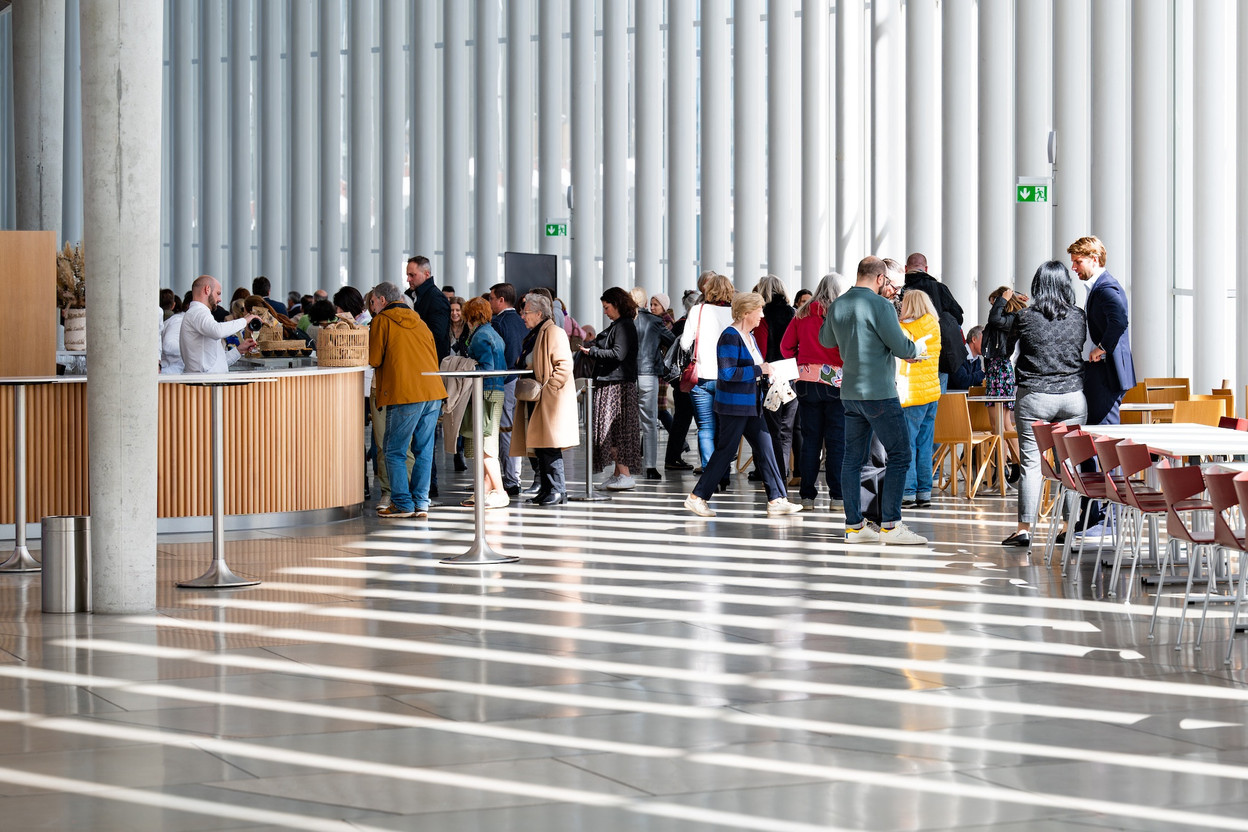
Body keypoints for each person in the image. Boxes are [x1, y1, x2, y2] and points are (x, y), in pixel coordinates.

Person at [818, 256, 927, 545]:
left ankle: (854, 526)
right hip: (879, 392)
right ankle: (891, 525)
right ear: (880, 279)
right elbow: (901, 346)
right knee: (901, 454)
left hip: (850, 393)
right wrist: (917, 349)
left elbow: (826, 340)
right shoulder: (881, 305)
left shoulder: (838, 304)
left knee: (852, 460)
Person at [684, 292, 802, 518]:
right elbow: (728, 373)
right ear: (746, 312)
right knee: (725, 451)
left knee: (766, 448)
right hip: (735, 407)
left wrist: (769, 374)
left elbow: (752, 371)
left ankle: (776, 499)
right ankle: (697, 497)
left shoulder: (750, 337)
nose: (762, 315)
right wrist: (761, 370)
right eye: (759, 311)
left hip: (750, 405)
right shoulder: (730, 336)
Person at [997, 262, 1088, 547]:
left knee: (1032, 464)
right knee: (1069, 464)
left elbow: (1005, 349)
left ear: (1038, 286)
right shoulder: (1078, 316)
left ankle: (1024, 529)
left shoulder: (1024, 317)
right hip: (1073, 396)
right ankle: (1068, 527)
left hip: (1035, 396)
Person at [1067, 235, 1136, 541]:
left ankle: (1108, 519)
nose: (1074, 267)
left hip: (1108, 374)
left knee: (1105, 441)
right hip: (1105, 374)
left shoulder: (1106, 288)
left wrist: (1102, 348)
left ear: (1093, 259)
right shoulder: (1100, 287)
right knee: (1099, 439)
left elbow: (1120, 320)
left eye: (1078, 261)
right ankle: (1098, 515)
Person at [368, 281, 447, 519]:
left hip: (405, 392)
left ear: (382, 300)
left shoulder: (381, 321)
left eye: (373, 302)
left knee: (394, 449)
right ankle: (421, 502)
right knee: (423, 450)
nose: (373, 307)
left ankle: (402, 503)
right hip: (432, 391)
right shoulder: (420, 321)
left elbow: (374, 358)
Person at [781, 272, 847, 511]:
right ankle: (837, 497)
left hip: (806, 381)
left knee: (811, 440)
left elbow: (785, 347)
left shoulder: (801, 314)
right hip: (836, 383)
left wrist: (800, 362)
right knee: (836, 442)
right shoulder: (840, 313)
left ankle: (807, 496)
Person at [510, 292, 580, 505]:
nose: (523, 316)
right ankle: (548, 489)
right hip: (538, 398)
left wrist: (549, 390)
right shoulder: (537, 333)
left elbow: (565, 365)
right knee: (540, 446)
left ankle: (558, 490)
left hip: (549, 400)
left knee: (550, 446)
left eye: (526, 312)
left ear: (539, 313)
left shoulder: (553, 332)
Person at [581, 286, 642, 490]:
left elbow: (618, 353)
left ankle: (624, 473)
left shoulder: (624, 326)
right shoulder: (621, 325)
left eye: (607, 307)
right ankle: (618, 473)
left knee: (615, 430)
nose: (605, 312)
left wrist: (593, 352)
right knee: (615, 429)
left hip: (617, 386)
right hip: (613, 383)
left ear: (616, 305)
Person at [680, 272, 736, 475]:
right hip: (728, 378)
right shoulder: (735, 313)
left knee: (705, 428)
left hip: (701, 376)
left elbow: (685, 343)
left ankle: (709, 470)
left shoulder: (697, 311)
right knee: (725, 428)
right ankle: (724, 469)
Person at [458, 297, 510, 509]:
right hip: (495, 392)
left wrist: (464, 371)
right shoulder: (493, 333)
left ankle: (499, 492)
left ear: (470, 316)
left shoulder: (480, 337)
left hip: (485, 393)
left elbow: (486, 368)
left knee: (486, 447)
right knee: (485, 444)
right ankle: (483, 492)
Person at [895, 288, 942, 508]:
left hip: (911, 394)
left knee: (908, 445)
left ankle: (908, 492)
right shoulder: (934, 326)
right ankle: (925, 492)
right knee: (925, 444)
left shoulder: (904, 329)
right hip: (931, 392)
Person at [752, 274, 798, 484]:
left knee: (771, 430)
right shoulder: (793, 313)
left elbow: (761, 348)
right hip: (791, 375)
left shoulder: (764, 315)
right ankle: (783, 474)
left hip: (771, 376)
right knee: (786, 430)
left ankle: (774, 476)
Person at [630, 286, 676, 481]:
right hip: (649, 375)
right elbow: (673, 341)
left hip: (629, 376)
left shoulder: (624, 322)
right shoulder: (656, 322)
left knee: (629, 423)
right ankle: (650, 467)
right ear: (646, 303)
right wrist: (663, 361)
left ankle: (627, 466)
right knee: (649, 423)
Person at [903, 253, 965, 392]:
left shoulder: (900, 289)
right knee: (937, 398)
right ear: (926, 268)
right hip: (938, 353)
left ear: (906, 268)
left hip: (907, 352)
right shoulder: (939, 288)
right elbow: (958, 317)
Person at [490, 282, 529, 496]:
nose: (490, 302)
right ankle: (514, 475)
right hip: (519, 378)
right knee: (513, 430)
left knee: (505, 430)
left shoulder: (499, 322)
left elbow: (503, 354)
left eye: (491, 298)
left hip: (505, 381)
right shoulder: (521, 321)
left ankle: (510, 478)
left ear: (501, 300)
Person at [985, 286, 1028, 475]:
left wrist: (1003, 299)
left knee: (1001, 425)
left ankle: (1007, 467)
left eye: (994, 302)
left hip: (1001, 370)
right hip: (998, 371)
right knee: (1000, 425)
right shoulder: (1007, 320)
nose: (993, 306)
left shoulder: (1009, 320)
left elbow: (994, 318)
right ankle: (1009, 466)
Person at [180, 275, 258, 373]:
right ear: (207, 289)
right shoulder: (197, 312)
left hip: (210, 383)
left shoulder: (198, 313)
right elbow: (218, 331)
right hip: (205, 384)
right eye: (218, 293)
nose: (220, 299)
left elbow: (218, 363)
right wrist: (245, 320)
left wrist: (239, 350)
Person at [664, 289, 700, 471]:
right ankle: (673, 457)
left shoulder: (679, 324)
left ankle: (673, 457)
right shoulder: (689, 325)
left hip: (681, 379)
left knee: (682, 419)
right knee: (685, 419)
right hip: (689, 378)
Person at [947, 325, 987, 391]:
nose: (986, 344)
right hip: (954, 399)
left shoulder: (977, 360)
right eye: (984, 340)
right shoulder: (959, 355)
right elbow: (963, 382)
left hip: (967, 399)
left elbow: (975, 383)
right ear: (974, 339)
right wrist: (983, 372)